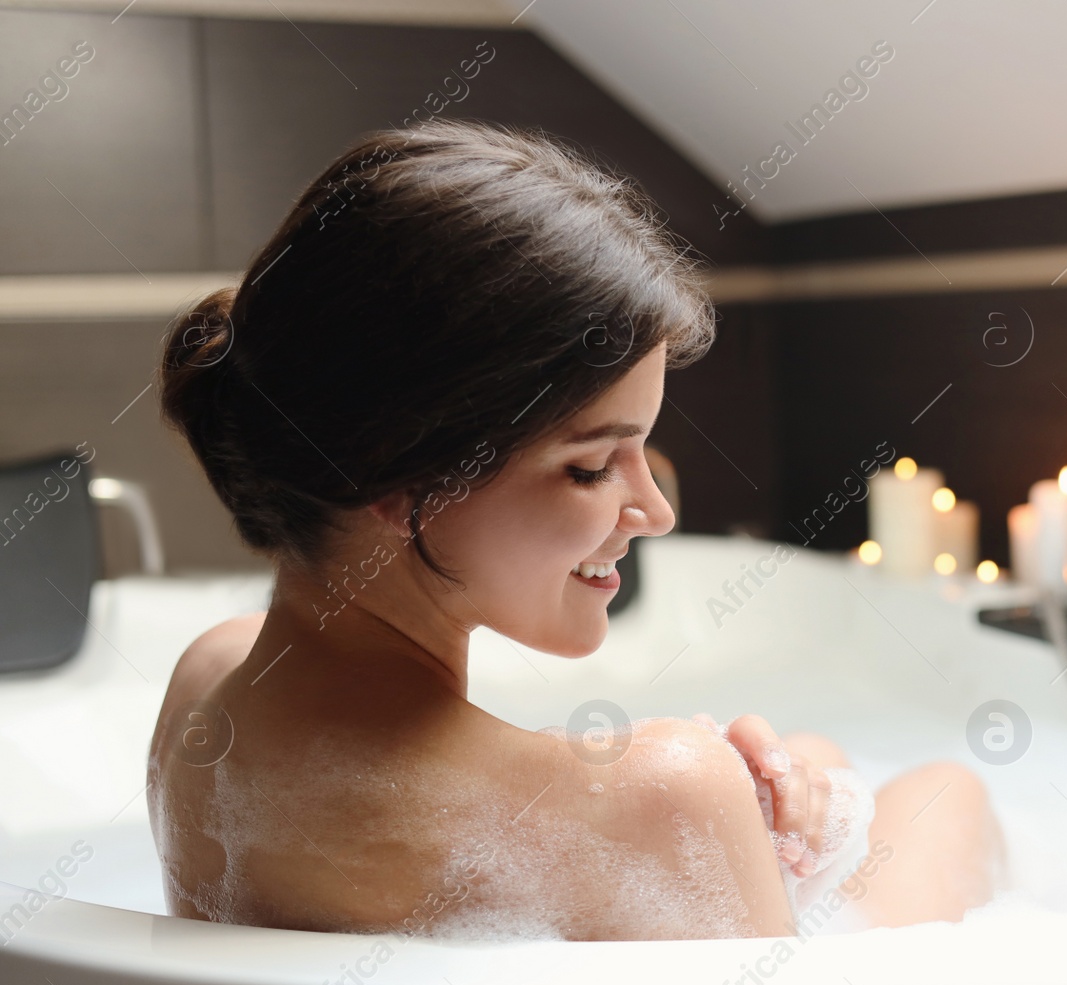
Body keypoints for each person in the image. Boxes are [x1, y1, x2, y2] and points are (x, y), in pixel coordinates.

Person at [147, 119, 1003, 940]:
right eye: (592, 467)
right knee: (946, 789)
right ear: (398, 477)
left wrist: (743, 793)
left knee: (812, 758)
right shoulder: (664, 799)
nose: (657, 512)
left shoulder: (208, 688)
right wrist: (700, 796)